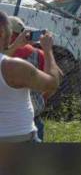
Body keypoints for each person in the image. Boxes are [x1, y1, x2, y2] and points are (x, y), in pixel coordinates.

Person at [0, 11, 62, 142]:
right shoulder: (16, 65)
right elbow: (53, 82)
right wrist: (48, 50)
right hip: (20, 136)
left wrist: (15, 45)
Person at [7, 16, 47, 141]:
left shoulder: (4, 54)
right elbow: (52, 82)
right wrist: (40, 99)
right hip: (32, 118)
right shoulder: (38, 54)